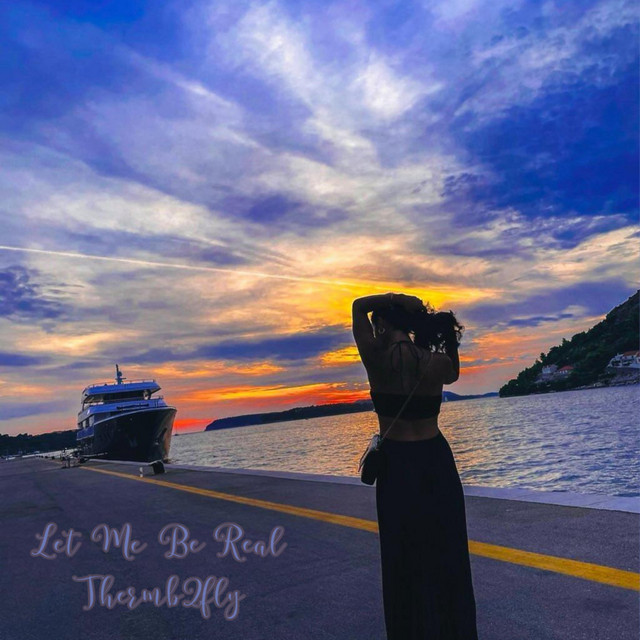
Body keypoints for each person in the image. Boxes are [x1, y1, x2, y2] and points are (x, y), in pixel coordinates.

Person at [352, 292, 478, 639]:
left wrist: (397, 298)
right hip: (435, 460)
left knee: (402, 556)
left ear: (381, 324)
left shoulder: (375, 359)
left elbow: (357, 306)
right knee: (447, 552)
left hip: (397, 463)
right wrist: (437, 327)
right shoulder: (435, 363)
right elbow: (454, 372)